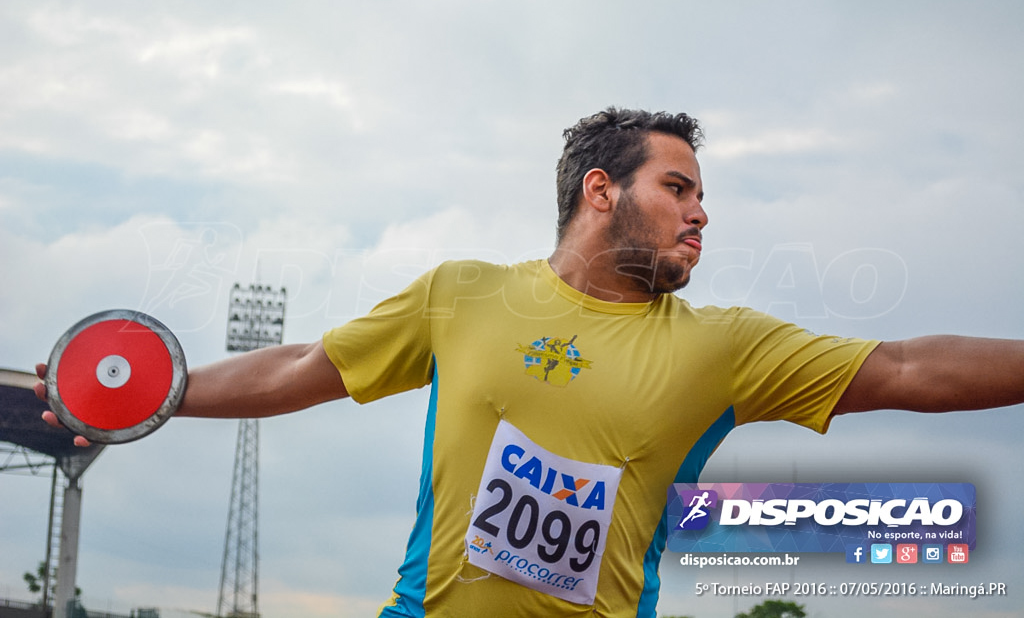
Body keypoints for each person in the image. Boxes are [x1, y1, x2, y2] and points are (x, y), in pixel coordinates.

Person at [35, 107, 1024, 618]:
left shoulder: (724, 347)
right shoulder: (461, 292)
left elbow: (903, 367)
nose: (700, 211)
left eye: (701, 194)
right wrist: (156, 396)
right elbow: (304, 367)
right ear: (602, 190)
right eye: (676, 186)